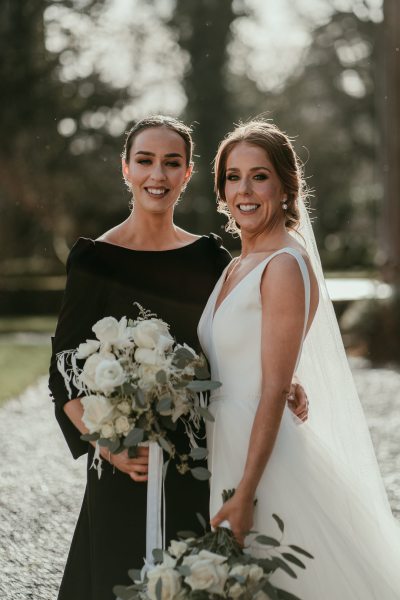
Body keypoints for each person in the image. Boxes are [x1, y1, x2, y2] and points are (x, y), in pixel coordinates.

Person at [48, 115, 307, 600]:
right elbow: (64, 372)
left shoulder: (209, 258)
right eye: (145, 161)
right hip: (125, 463)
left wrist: (286, 381)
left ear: (188, 174)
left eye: (172, 163)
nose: (158, 175)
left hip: (198, 463)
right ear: (126, 169)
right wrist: (109, 447)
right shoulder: (94, 260)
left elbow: (237, 338)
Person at [198, 119, 400, 599]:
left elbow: (271, 387)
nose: (243, 190)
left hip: (261, 457)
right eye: (232, 176)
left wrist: (246, 492)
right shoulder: (238, 263)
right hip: (225, 440)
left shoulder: (284, 264)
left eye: (259, 176)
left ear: (287, 187)